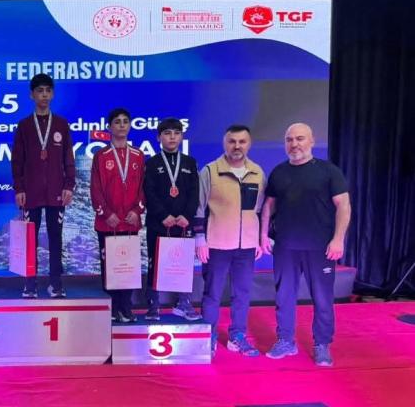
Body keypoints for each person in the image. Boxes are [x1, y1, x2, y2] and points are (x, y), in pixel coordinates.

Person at [261, 123, 351, 366]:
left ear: (312, 141)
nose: (294, 144)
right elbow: (268, 205)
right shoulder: (279, 172)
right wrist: (263, 235)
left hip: (320, 248)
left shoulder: (329, 171)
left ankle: (322, 344)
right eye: (289, 139)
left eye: (300, 138)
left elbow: (343, 205)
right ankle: (285, 340)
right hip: (286, 247)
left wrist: (338, 239)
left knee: (323, 299)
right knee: (284, 297)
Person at [194, 125, 266, 357]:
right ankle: (209, 336)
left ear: (249, 144)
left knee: (242, 294)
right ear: (225, 144)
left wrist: (258, 239)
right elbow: (198, 207)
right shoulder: (210, 171)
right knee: (212, 294)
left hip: (246, 247)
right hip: (216, 245)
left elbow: (258, 210)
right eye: (232, 141)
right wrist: (200, 239)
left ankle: (238, 336)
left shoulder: (257, 172)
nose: (237, 146)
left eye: (242, 142)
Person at [11, 73, 76, 298]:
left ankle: (56, 283)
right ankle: (30, 283)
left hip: (57, 192)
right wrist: (19, 188)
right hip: (31, 192)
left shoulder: (61, 124)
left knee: (56, 237)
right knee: (29, 238)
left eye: (48, 90)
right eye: (40, 91)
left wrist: (69, 185)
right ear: (32, 95)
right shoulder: (24, 126)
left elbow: (68, 158)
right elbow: (17, 160)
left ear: (53, 94)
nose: (44, 95)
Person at [142, 117, 201, 321]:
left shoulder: (190, 163)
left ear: (182, 136)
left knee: (182, 264)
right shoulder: (152, 163)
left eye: (176, 133)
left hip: (183, 224)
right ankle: (153, 305)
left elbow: (194, 193)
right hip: (158, 223)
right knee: (154, 263)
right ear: (159, 137)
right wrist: (163, 215)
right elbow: (149, 193)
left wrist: (186, 215)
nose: (172, 137)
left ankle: (183, 303)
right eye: (167, 133)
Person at [90, 108, 146, 322]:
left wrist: (137, 210)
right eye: (117, 122)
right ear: (109, 127)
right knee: (110, 266)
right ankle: (113, 306)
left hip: (130, 221)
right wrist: (106, 214)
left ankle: (126, 306)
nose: (122, 125)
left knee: (128, 266)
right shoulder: (101, 156)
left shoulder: (138, 155)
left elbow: (143, 187)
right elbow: (95, 189)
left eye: (125, 121)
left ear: (130, 126)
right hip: (108, 223)